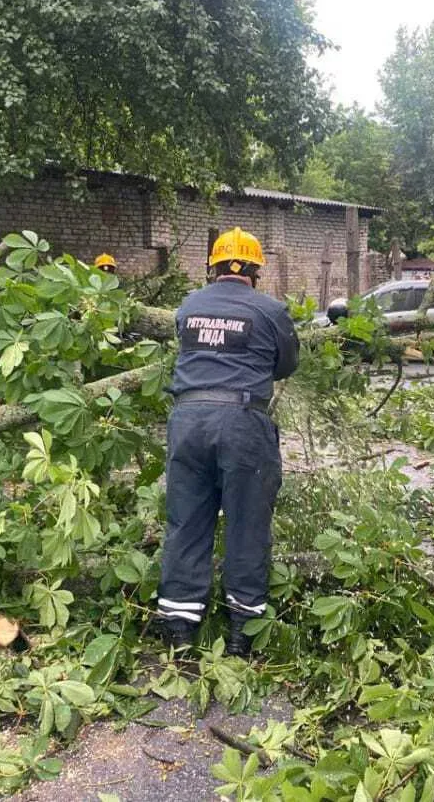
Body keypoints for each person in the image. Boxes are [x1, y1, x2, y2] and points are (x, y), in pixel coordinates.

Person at [154, 227, 299, 656]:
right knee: (247, 523)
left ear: (212, 267)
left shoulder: (188, 307)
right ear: (255, 270)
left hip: (188, 421)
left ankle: (179, 630)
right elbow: (286, 365)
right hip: (242, 423)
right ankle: (242, 631)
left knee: (186, 521)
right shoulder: (271, 310)